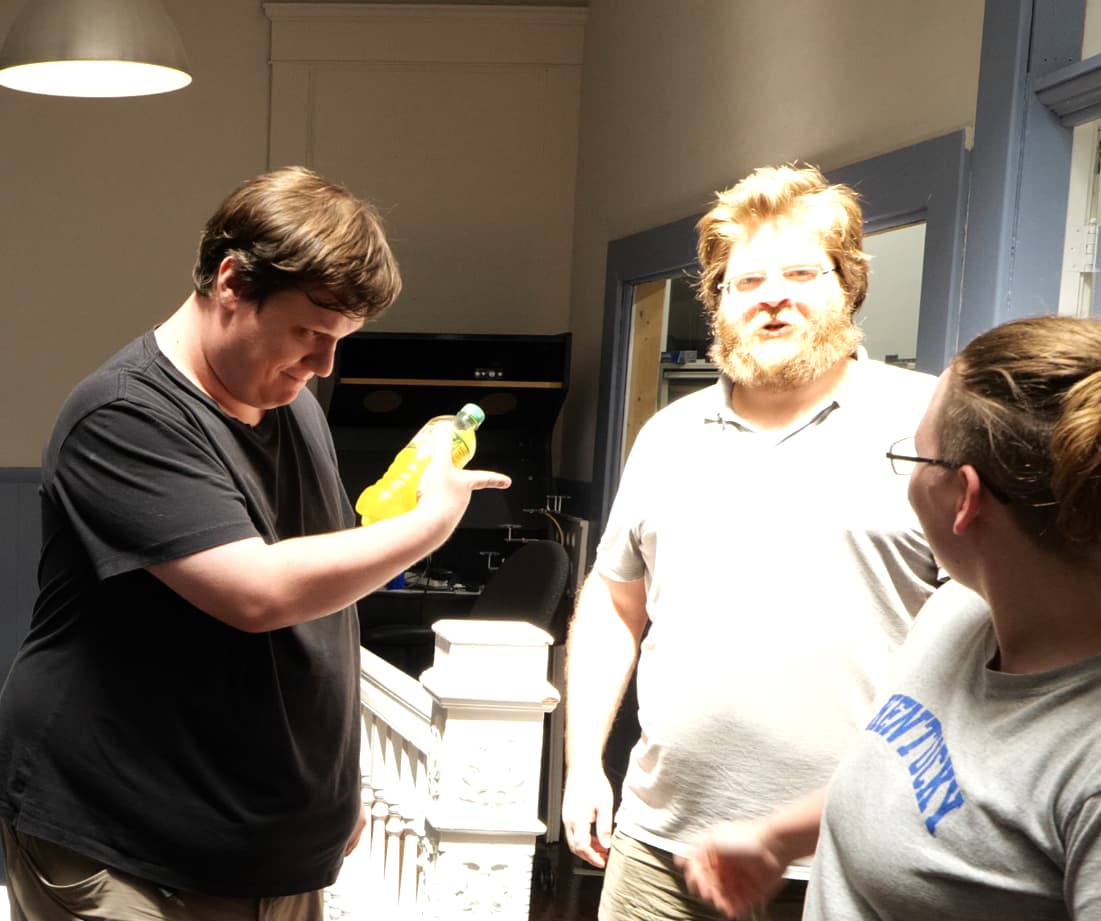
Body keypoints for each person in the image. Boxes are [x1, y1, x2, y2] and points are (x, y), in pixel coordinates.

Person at [0, 166, 510, 921]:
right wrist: (430, 523)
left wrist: (333, 782)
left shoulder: (292, 403)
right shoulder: (124, 416)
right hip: (125, 843)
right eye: (310, 332)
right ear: (232, 282)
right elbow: (259, 592)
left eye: (340, 341)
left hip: (269, 842)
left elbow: (322, 600)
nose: (325, 364)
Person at [685, 315, 1101, 920]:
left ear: (964, 497)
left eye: (914, 456)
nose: (909, 477)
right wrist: (778, 838)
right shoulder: (966, 611)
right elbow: (930, 782)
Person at [561, 164, 942, 921]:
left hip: (859, 857)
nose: (773, 296)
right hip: (661, 854)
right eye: (746, 281)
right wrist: (582, 767)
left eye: (801, 273)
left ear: (846, 285)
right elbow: (614, 600)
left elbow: (994, 629)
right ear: (719, 302)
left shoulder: (929, 422)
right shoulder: (668, 435)